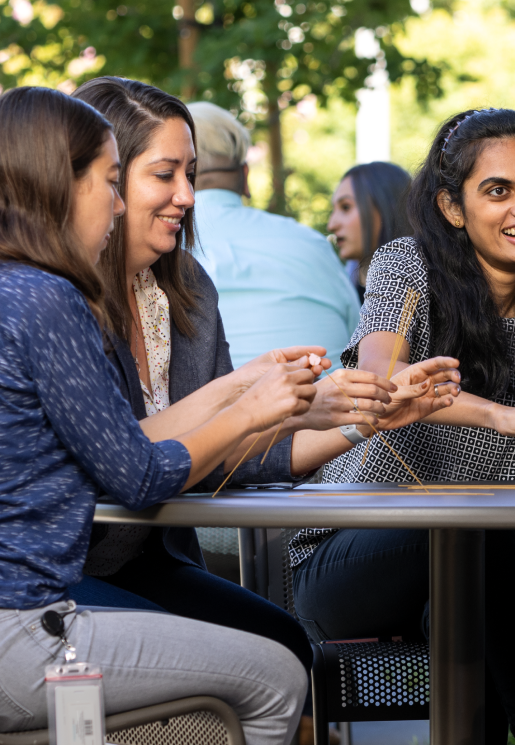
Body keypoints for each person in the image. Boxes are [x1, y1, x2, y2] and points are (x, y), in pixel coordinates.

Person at [0, 86, 314, 740]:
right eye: (110, 181)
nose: (116, 202)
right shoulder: (45, 297)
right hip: (16, 637)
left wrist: (248, 389)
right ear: (60, 184)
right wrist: (249, 412)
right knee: (277, 673)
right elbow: (137, 475)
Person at [65, 77, 459, 685]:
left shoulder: (187, 286)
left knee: (288, 646)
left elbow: (235, 454)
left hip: (148, 558)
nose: (188, 197)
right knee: (249, 667)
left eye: (190, 174)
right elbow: (125, 461)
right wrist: (253, 392)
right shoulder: (55, 297)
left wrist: (364, 418)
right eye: (165, 175)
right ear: (106, 176)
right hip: (62, 568)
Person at [291, 108, 515, 745]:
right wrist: (503, 418)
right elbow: (386, 380)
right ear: (452, 207)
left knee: (464, 598)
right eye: (498, 190)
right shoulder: (409, 266)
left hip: (477, 564)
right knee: (469, 529)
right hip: (348, 555)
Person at [188, 101, 360, 367]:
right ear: (245, 177)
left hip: (220, 406)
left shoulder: (161, 251)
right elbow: (358, 340)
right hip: (339, 401)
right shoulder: (312, 243)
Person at [327, 161, 413, 300]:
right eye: (333, 210)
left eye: (346, 207)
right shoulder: (341, 291)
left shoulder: (420, 293)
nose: (331, 225)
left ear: (387, 208)